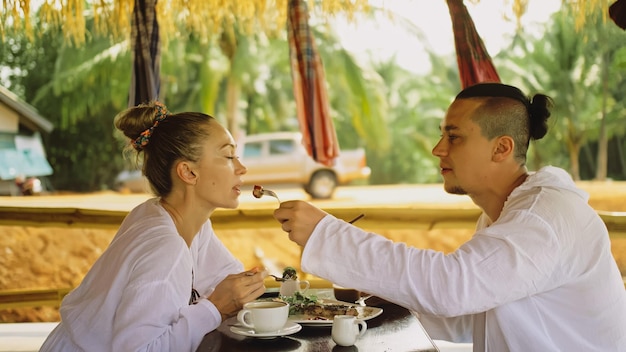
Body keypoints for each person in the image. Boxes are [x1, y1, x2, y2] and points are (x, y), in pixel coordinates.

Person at [274, 83, 626, 351]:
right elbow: (470, 314)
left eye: (453, 137)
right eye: (442, 135)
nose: (437, 149)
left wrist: (326, 234)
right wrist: (386, 287)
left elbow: (454, 287)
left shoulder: (544, 217)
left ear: (501, 148)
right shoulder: (510, 214)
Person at [40, 101, 267, 352]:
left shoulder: (173, 218)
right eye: (228, 156)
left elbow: (224, 278)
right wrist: (213, 309)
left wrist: (246, 286)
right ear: (188, 173)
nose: (242, 168)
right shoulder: (165, 248)